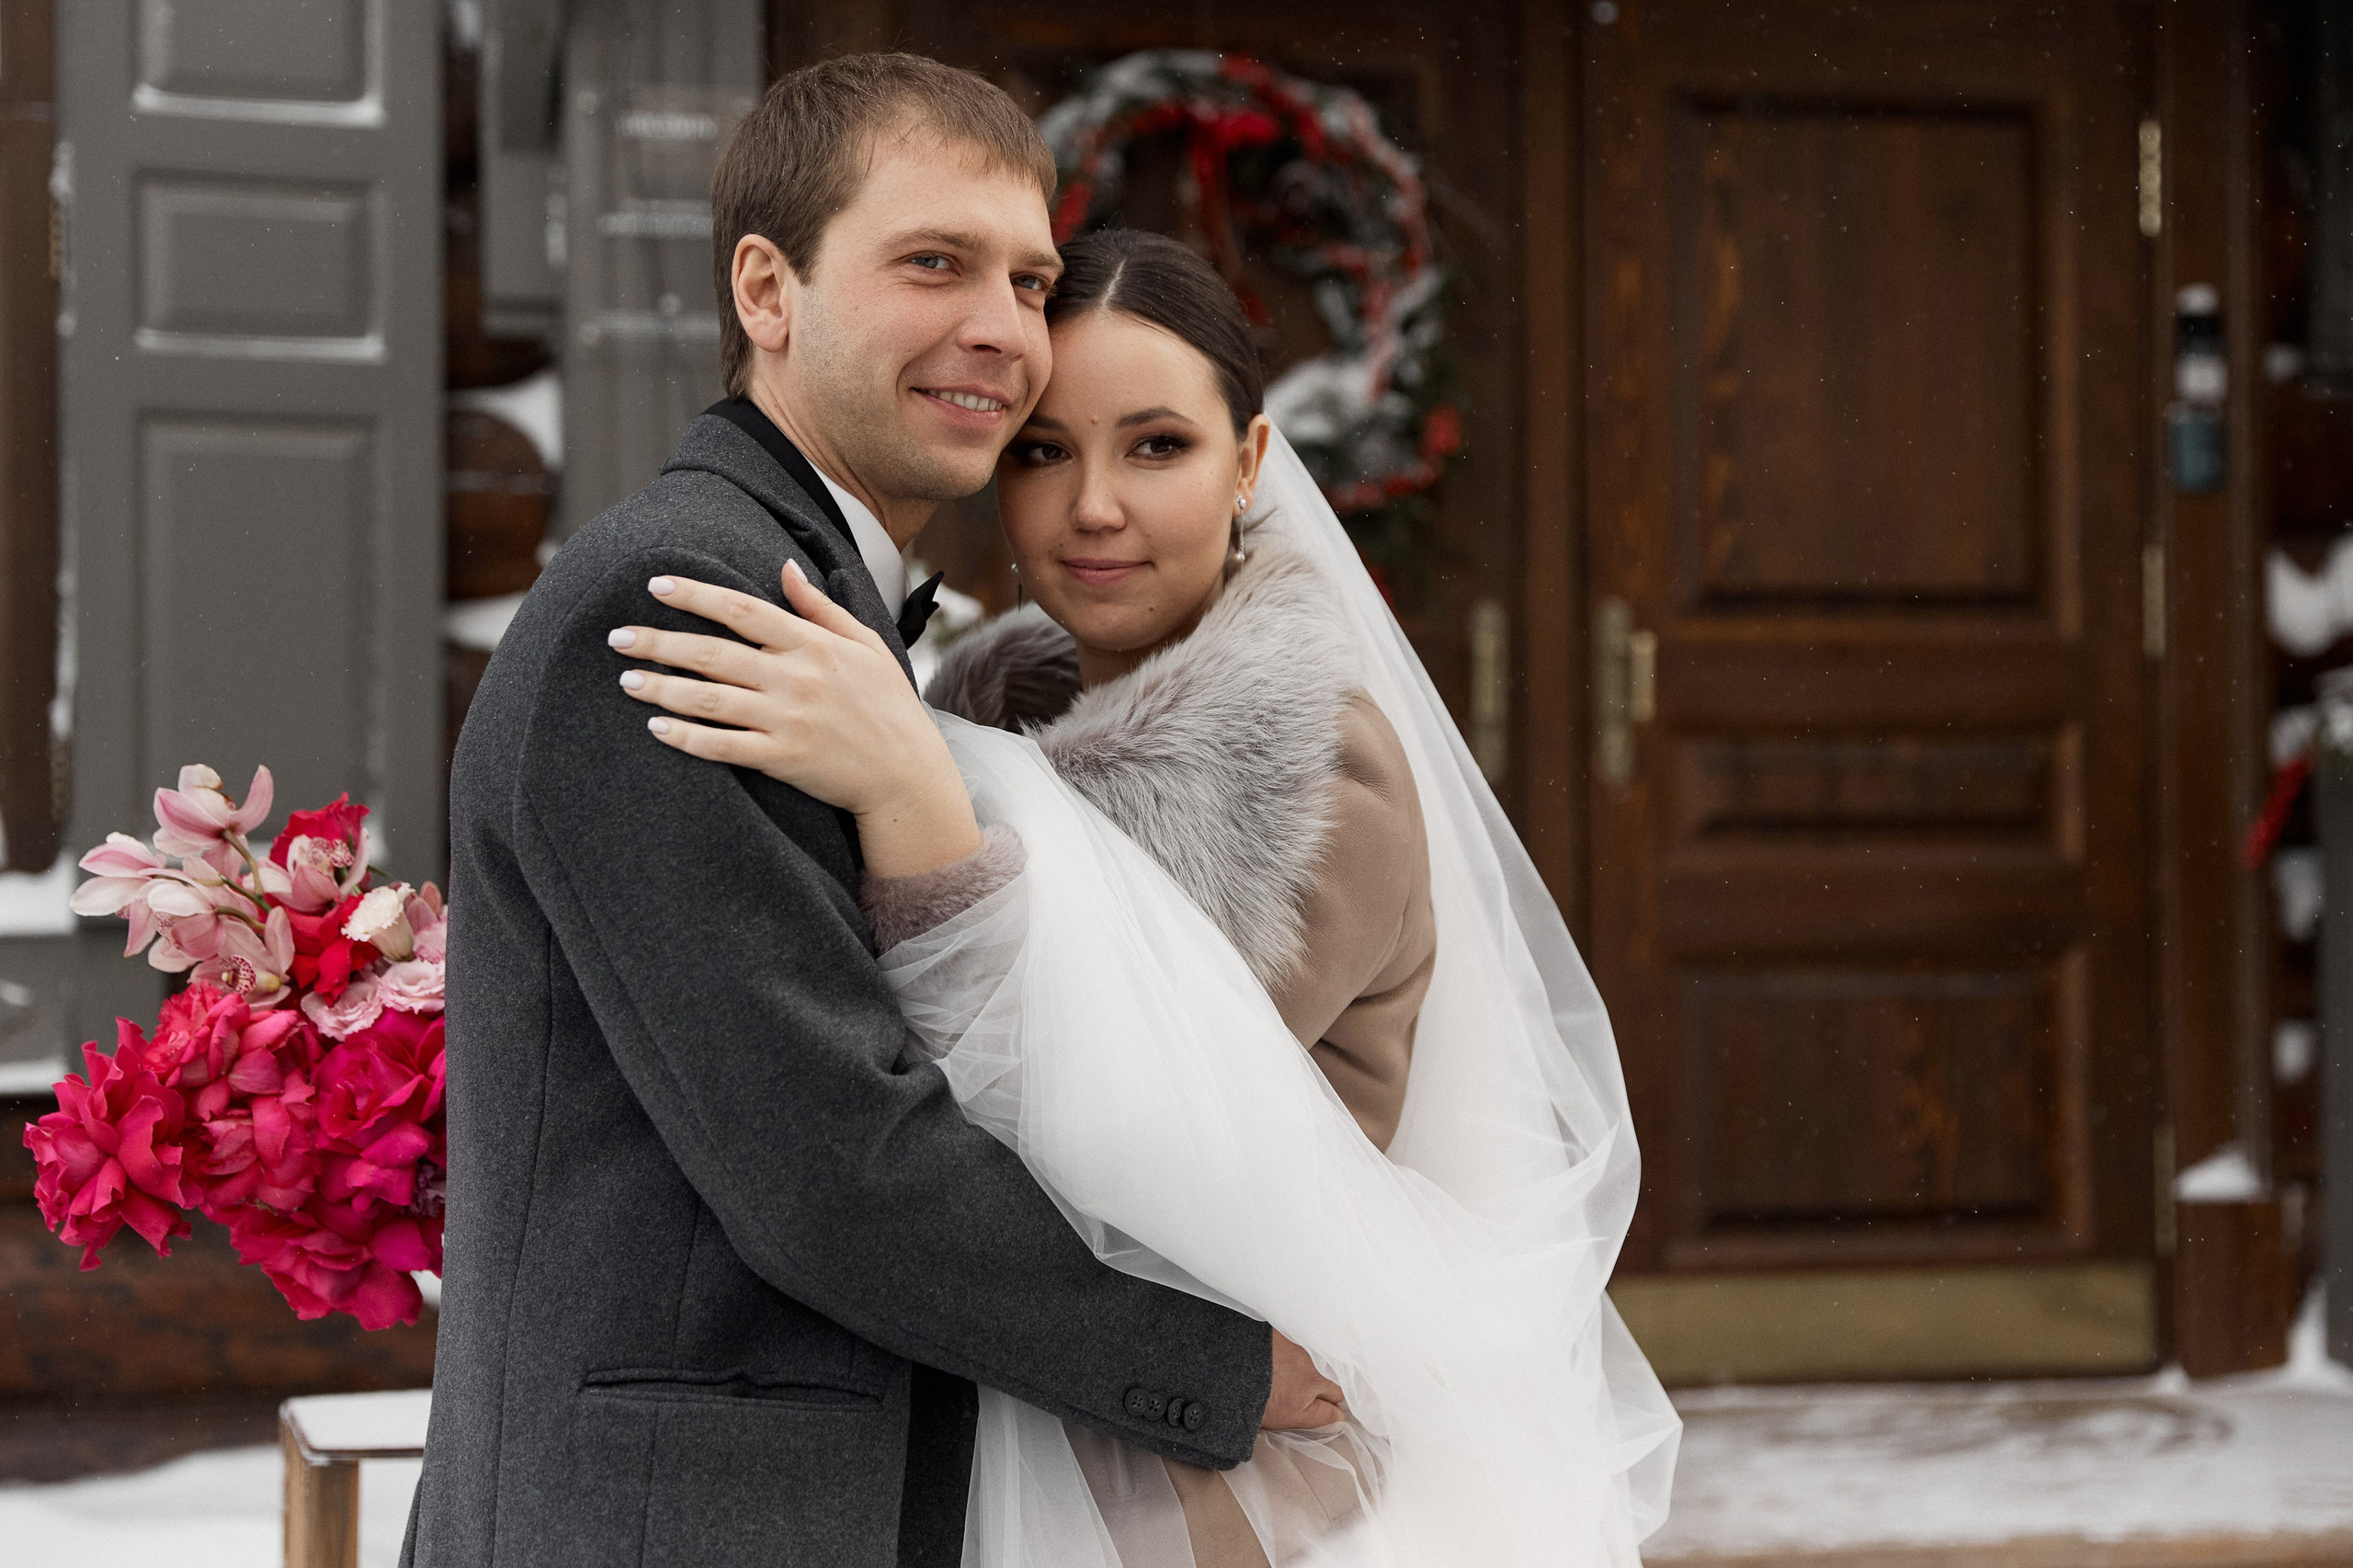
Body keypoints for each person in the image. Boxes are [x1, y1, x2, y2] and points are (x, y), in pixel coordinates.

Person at [615, 229, 1682, 1564]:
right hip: (1032, 1388)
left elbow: (1103, 1130)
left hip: (1223, 1458)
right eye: (1045, 451)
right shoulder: (981, 723)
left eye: (1158, 446)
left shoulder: (1312, 767)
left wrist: (907, 797)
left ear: (1248, 463)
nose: (1093, 506)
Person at [407, 57, 1343, 1568]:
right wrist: (1210, 1365)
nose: (1003, 331)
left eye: (1030, 279)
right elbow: (829, 1164)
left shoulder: (805, 589)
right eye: (935, 264)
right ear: (766, 292)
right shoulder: (687, 600)